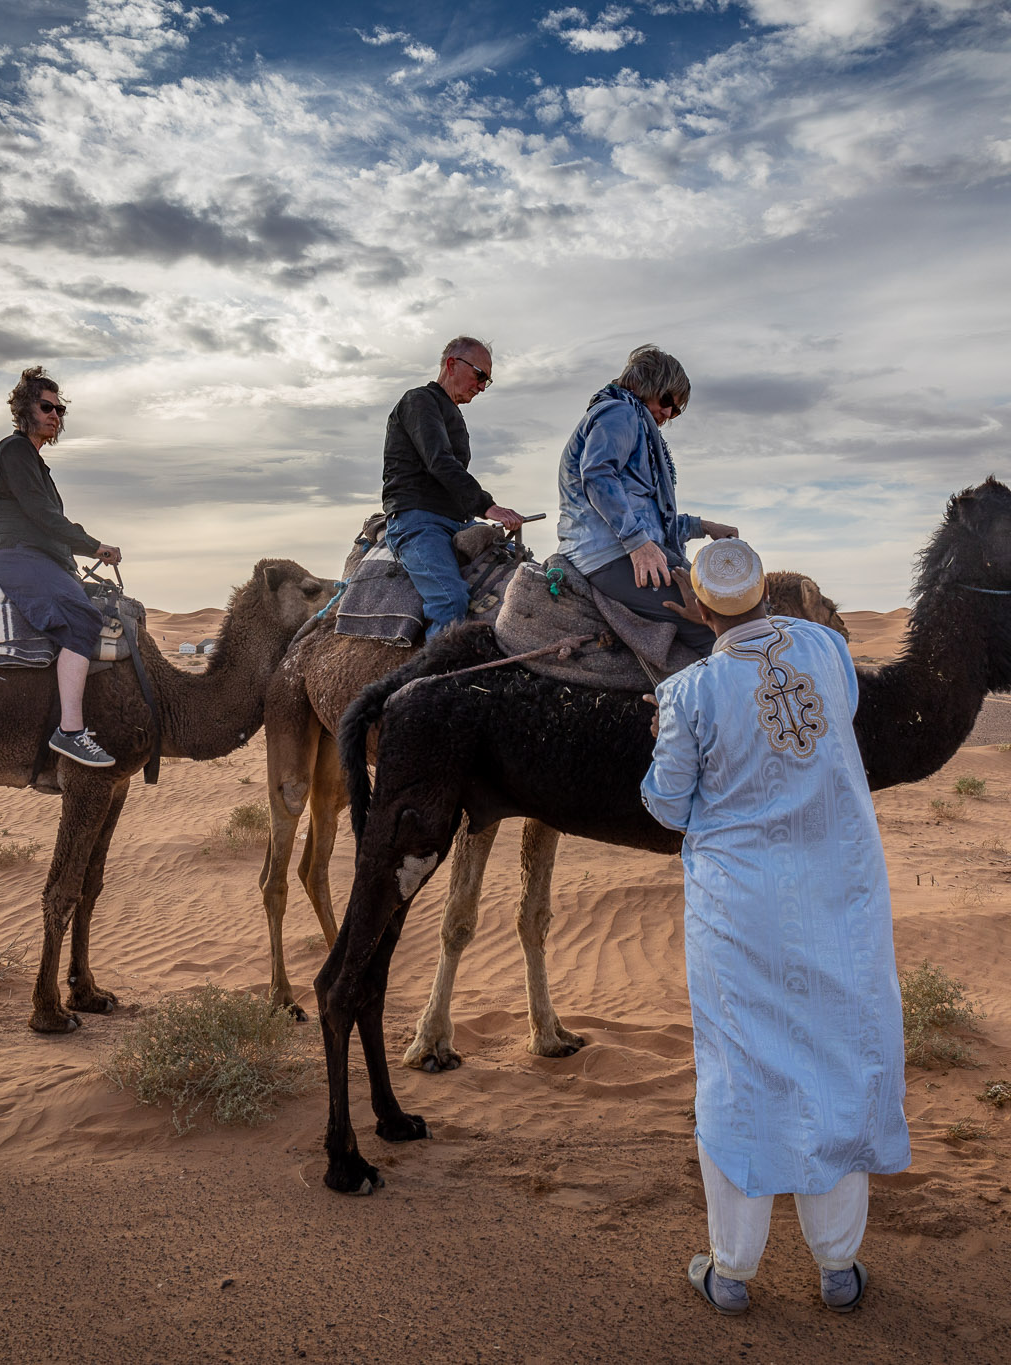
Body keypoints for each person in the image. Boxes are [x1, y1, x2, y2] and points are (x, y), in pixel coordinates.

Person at [640, 539, 910, 1317]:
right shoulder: (825, 648)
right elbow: (841, 721)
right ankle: (837, 1264)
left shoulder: (688, 691)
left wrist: (672, 738)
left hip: (741, 913)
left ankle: (732, 1269)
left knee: (740, 1067)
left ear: (696, 606)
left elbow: (665, 804)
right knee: (836, 1057)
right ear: (767, 592)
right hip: (840, 898)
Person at [554, 344, 737, 652]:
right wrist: (637, 544)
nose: (668, 413)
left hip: (619, 548)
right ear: (642, 384)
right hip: (610, 554)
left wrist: (704, 526)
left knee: (722, 608)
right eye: (667, 400)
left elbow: (648, 516)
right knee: (718, 631)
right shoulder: (620, 412)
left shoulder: (633, 421)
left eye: (676, 410)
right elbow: (598, 475)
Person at [0, 366, 121, 768]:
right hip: (17, 553)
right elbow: (43, 517)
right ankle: (71, 731)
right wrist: (94, 546)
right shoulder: (14, 450)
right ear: (25, 408)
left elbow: (48, 522)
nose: (54, 415)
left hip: (38, 556)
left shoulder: (34, 461)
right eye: (46, 407)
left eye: (59, 410)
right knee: (80, 619)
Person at [380, 336, 526, 632]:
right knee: (451, 601)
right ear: (451, 364)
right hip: (417, 520)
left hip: (456, 521)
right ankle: (434, 678)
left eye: (488, 380)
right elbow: (440, 461)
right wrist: (488, 506)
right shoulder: (419, 400)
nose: (482, 385)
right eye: (479, 375)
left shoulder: (451, 413)